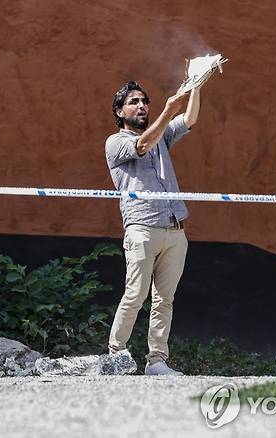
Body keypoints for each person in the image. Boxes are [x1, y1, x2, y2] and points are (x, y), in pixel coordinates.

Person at [105, 78, 205, 376]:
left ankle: (157, 361)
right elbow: (142, 144)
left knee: (165, 300)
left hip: (175, 228)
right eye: (133, 102)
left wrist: (197, 85)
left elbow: (189, 119)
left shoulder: (161, 135)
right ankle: (117, 353)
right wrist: (167, 109)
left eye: (144, 101)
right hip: (142, 227)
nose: (141, 106)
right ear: (120, 112)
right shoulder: (115, 142)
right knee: (134, 295)